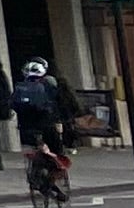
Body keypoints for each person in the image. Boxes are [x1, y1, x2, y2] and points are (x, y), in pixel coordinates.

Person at [12, 60, 82, 191]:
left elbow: (13, 104)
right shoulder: (51, 84)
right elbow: (64, 104)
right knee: (56, 150)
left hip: (26, 127)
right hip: (46, 124)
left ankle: (35, 175)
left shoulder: (21, 86)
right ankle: (54, 177)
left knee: (36, 146)